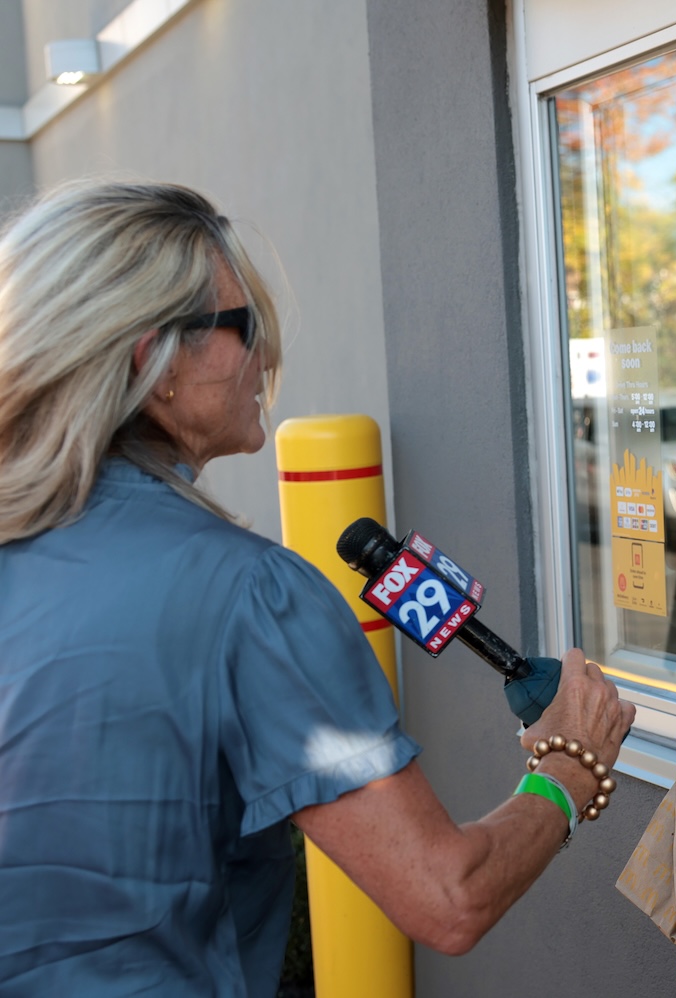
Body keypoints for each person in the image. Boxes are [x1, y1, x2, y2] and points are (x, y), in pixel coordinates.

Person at [0, 180, 635, 995]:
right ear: (150, 362)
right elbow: (449, 897)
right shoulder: (251, 595)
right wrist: (570, 768)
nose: (268, 356)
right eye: (244, 328)